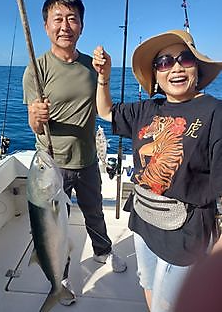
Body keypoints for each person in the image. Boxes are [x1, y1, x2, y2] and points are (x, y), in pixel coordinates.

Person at [93, 29, 222, 312]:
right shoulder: (147, 109)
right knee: (148, 285)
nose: (175, 67)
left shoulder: (215, 113)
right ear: (156, 75)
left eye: (184, 59)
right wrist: (104, 77)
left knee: (171, 305)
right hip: (143, 219)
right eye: (164, 62)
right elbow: (105, 111)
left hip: (186, 234)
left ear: (197, 68)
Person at [23, 0, 127, 306]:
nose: (65, 26)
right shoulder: (36, 70)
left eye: (72, 19)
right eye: (58, 19)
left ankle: (103, 250)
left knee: (95, 212)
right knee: (56, 225)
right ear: (46, 26)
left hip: (88, 160)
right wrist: (37, 117)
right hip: (51, 166)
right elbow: (34, 125)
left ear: (81, 25)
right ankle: (61, 275)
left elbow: (103, 107)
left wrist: (106, 75)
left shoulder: (90, 67)